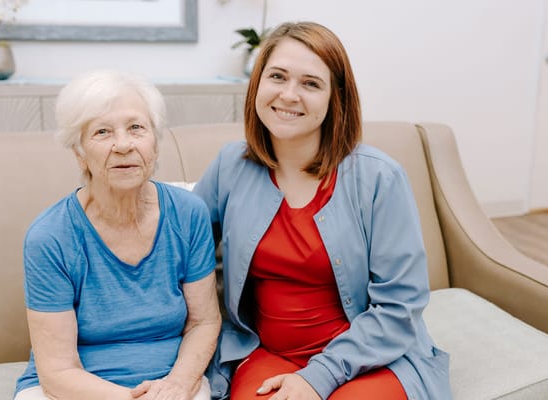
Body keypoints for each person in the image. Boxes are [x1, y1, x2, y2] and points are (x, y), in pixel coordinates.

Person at [193, 22, 451, 400]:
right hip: (268, 355)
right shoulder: (229, 166)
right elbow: (179, 249)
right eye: (277, 76)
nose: (289, 95)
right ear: (257, 84)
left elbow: (400, 307)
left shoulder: (379, 177)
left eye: (311, 83)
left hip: (371, 360)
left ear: (336, 98)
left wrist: (320, 376)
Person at [14, 70, 221, 400]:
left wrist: (177, 385)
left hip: (171, 384)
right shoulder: (50, 237)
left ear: (155, 143)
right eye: (102, 132)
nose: (123, 145)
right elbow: (57, 372)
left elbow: (203, 323)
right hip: (75, 389)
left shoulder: (188, 214)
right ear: (79, 152)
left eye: (136, 128)